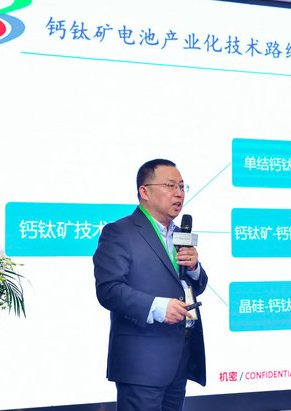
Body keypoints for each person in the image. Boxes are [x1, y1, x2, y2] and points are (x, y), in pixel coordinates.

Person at [93, 158, 207, 411]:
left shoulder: (180, 234)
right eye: (170, 186)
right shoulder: (120, 232)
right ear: (144, 192)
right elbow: (109, 290)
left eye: (182, 187)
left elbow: (194, 287)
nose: (179, 193)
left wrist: (194, 267)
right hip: (142, 360)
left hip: (179, 356)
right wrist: (158, 307)